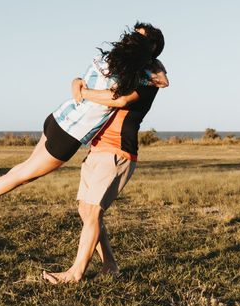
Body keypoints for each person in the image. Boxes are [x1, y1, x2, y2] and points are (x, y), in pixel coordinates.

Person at [0, 24, 168, 223]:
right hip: (70, 134)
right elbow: (140, 90)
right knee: (25, 175)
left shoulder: (104, 57)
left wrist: (77, 84)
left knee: (25, 168)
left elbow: (83, 79)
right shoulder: (131, 75)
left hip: (59, 117)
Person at [42, 28, 166, 283]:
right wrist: (78, 80)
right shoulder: (130, 72)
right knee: (85, 210)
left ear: (151, 49)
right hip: (98, 148)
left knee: (94, 212)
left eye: (140, 38)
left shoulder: (147, 79)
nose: (132, 40)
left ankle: (74, 273)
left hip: (117, 151)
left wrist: (82, 93)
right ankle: (110, 265)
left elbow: (119, 101)